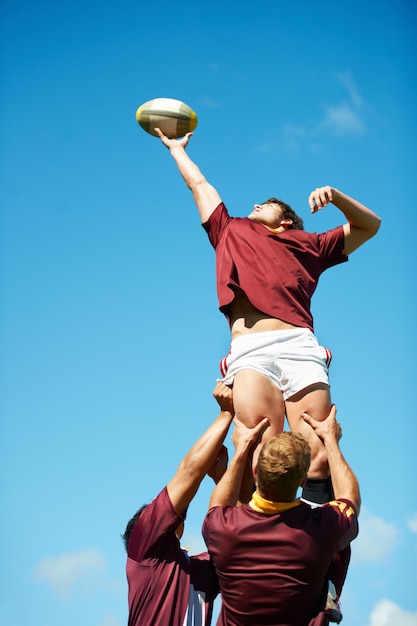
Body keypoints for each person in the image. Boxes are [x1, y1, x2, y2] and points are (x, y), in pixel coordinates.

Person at [155, 128, 380, 506]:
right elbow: (199, 184)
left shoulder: (310, 244)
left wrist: (336, 196)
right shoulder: (230, 229)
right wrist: (177, 150)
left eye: (268, 203)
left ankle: (319, 545)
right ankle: (257, 540)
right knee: (260, 454)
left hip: (298, 345)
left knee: (318, 453)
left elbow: (369, 225)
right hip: (251, 349)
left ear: (287, 221)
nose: (257, 203)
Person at [122, 381, 268, 626]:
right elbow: (190, 472)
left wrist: (224, 477)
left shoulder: (199, 570)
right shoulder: (144, 548)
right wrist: (226, 414)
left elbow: (245, 533)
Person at [202, 405, 360, 626]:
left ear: (256, 471)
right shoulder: (321, 529)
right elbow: (349, 499)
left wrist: (242, 447)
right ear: (303, 481)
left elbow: (218, 504)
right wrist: (330, 439)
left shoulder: (223, 529)